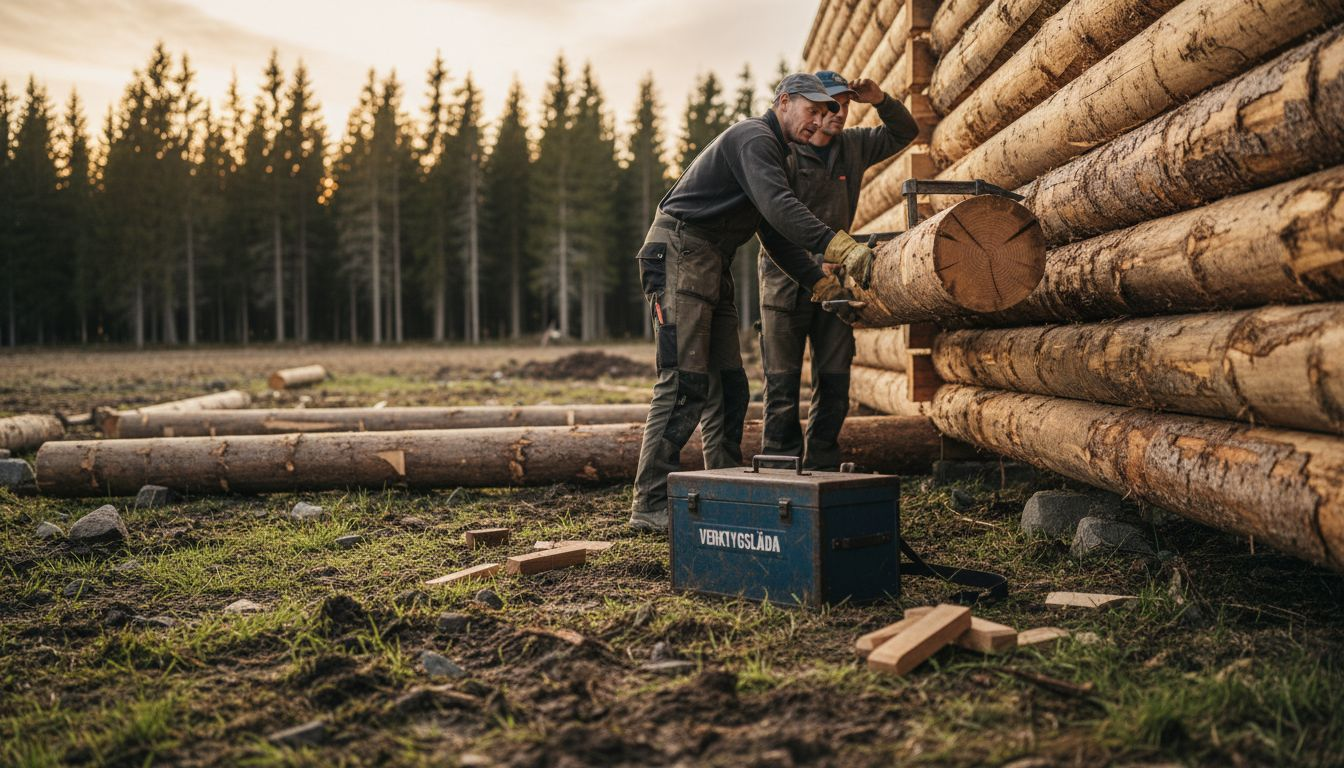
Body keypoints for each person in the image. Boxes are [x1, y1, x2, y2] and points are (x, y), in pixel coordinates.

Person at [629, 73, 876, 532]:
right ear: (783, 101)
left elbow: (775, 232)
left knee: (729, 385)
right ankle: (649, 503)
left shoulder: (774, 153)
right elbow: (782, 209)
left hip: (710, 261)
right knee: (683, 382)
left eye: (828, 112)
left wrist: (816, 285)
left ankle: (719, 489)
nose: (821, 119)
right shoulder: (753, 137)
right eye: (813, 110)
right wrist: (838, 247)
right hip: (680, 252)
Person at [758, 71, 919, 470]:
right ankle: (781, 470)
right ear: (810, 108)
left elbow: (904, 132)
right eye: (830, 105)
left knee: (834, 382)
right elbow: (775, 221)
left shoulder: (855, 146)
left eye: (845, 105)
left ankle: (823, 468)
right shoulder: (786, 150)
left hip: (837, 286)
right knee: (782, 386)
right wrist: (817, 260)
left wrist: (881, 100)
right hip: (784, 283)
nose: (838, 113)